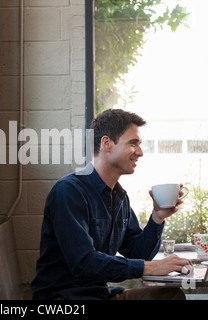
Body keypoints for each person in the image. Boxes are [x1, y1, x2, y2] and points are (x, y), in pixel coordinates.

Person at [31, 109, 192, 300]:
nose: (139, 152)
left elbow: (138, 253)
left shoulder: (120, 197)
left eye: (139, 144)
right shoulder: (69, 191)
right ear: (106, 143)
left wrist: (157, 217)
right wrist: (151, 267)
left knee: (171, 296)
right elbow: (84, 262)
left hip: (101, 295)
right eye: (133, 143)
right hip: (65, 299)